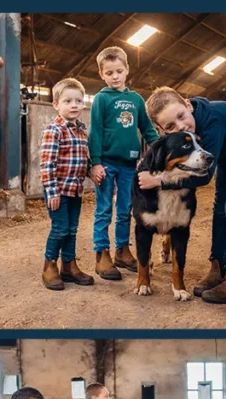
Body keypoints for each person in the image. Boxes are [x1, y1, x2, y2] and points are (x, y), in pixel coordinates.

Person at [139, 87, 226, 304]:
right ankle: (217, 267)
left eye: (181, 116)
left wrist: (159, 180)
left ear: (188, 105)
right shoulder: (188, 132)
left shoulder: (211, 124)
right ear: (160, 129)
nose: (181, 126)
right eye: (170, 126)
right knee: (220, 208)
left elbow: (203, 177)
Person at [89, 46, 160, 281]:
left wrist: (161, 149)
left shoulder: (136, 99)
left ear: (127, 69)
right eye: (109, 73)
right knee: (104, 209)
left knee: (125, 210)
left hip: (130, 165)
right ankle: (102, 254)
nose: (115, 76)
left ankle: (122, 250)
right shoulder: (101, 99)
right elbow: (96, 132)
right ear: (102, 74)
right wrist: (96, 163)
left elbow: (147, 130)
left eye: (119, 71)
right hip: (107, 164)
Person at [40, 77, 94, 291]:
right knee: (60, 228)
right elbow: (47, 164)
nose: (74, 105)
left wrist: (93, 171)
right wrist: (52, 192)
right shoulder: (54, 130)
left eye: (78, 101)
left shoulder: (81, 130)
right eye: (68, 101)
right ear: (56, 105)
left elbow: (83, 159)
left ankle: (69, 266)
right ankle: (49, 265)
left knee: (72, 229)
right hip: (58, 191)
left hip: (75, 190)